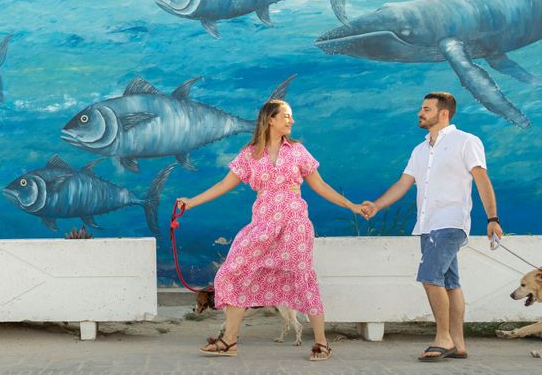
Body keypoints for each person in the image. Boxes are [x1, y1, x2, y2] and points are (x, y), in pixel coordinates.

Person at [176, 99, 367, 361]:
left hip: (294, 223)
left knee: (302, 278)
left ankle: (322, 344)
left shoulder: (298, 151)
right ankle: (229, 341)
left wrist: (352, 206)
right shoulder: (250, 153)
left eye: (291, 117)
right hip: (263, 224)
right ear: (270, 120)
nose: (292, 121)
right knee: (233, 272)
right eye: (286, 116)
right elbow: (224, 184)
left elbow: (320, 186)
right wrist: (192, 201)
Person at [362, 92, 503, 362]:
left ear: (443, 113)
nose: (420, 113)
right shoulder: (420, 150)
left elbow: (482, 179)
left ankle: (443, 338)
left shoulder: (466, 141)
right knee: (450, 283)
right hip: (427, 225)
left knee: (429, 277)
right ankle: (458, 343)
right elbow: (404, 184)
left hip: (450, 222)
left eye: (426, 109)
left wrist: (492, 218)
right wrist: (377, 206)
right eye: (421, 108)